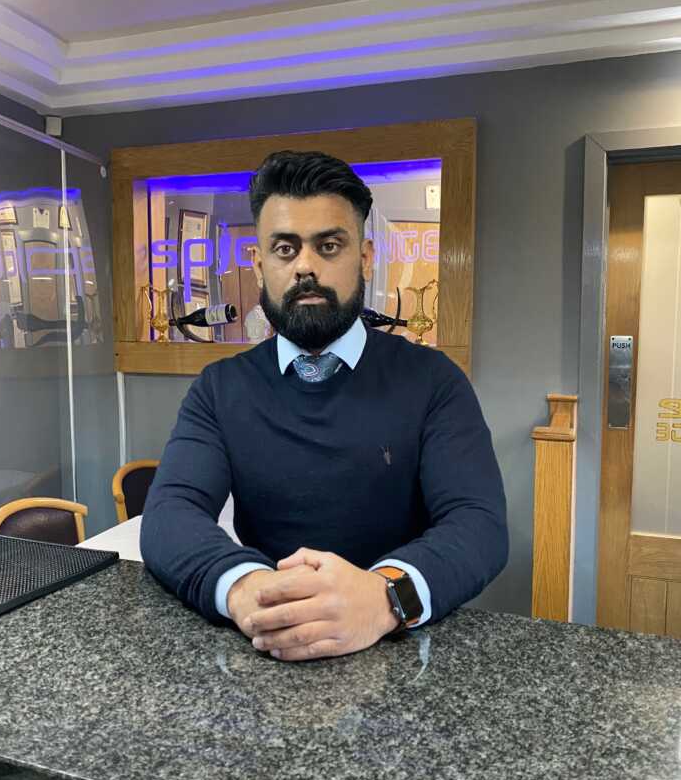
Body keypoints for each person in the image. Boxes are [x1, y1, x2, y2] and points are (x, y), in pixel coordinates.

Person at [140, 150, 508, 661]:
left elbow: (478, 523)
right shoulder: (219, 390)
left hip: (402, 653)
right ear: (260, 264)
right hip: (266, 644)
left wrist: (384, 597)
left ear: (366, 257)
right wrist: (247, 588)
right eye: (284, 248)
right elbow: (169, 513)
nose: (305, 267)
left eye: (329, 246)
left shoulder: (433, 381)